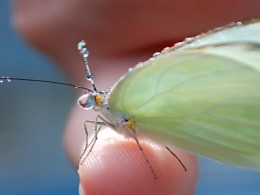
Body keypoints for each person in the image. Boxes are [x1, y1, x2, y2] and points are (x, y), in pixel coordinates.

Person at [11, 1, 260, 194]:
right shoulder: (119, 103)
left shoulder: (123, 97)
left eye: (92, 101)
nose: (91, 104)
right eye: (90, 101)